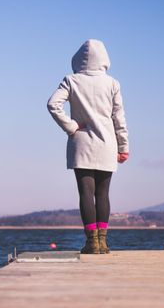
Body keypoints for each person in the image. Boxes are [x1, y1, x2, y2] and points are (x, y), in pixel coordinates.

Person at [47, 39, 129, 254]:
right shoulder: (113, 83)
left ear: (78, 58)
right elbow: (119, 118)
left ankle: (91, 243)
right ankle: (103, 242)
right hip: (107, 143)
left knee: (86, 192)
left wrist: (71, 126)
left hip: (81, 141)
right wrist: (123, 146)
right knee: (103, 194)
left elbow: (52, 104)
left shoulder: (71, 80)